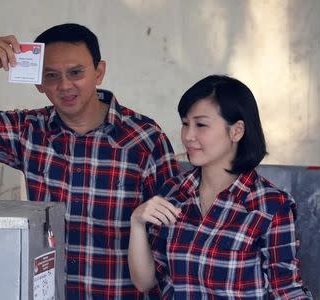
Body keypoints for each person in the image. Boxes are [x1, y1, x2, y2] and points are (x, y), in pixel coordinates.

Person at [0, 23, 180, 299]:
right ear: (39, 82)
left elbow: (170, 237)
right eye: (51, 75)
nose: (64, 85)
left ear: (99, 72)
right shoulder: (29, 130)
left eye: (76, 72)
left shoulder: (143, 138)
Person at [128, 75, 313, 299]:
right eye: (185, 124)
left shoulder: (270, 206)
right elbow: (145, 282)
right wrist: (137, 222)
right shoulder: (173, 193)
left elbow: (287, 290)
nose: (188, 136)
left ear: (236, 131)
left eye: (201, 125)